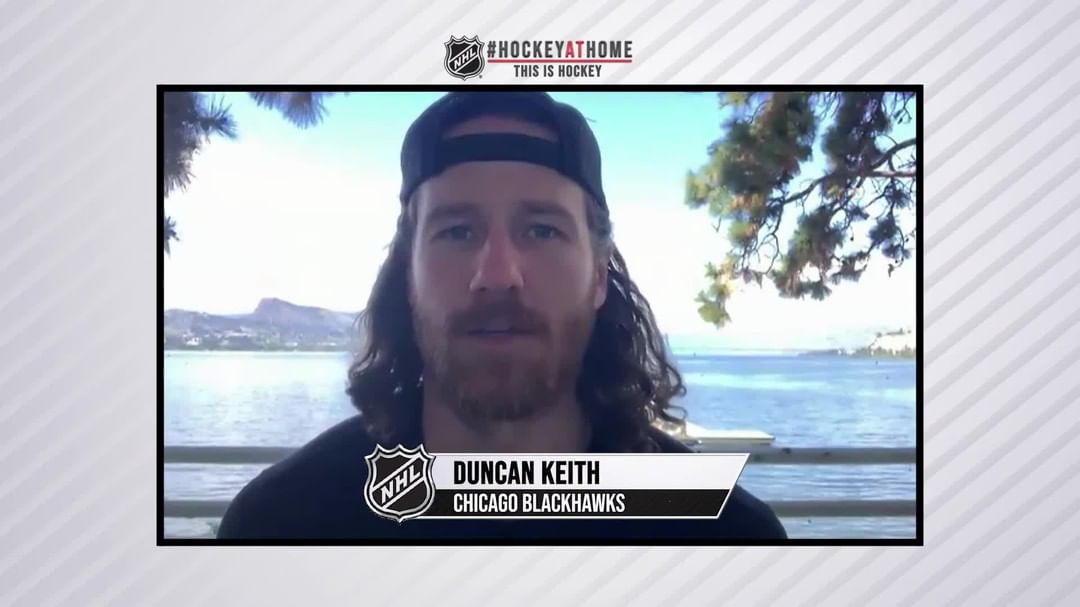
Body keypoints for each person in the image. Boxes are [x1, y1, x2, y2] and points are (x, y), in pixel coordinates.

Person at [217, 91, 787, 540]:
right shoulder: (283, 526)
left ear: (597, 274)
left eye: (541, 230)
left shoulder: (726, 539)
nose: (497, 274)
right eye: (456, 231)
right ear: (407, 276)